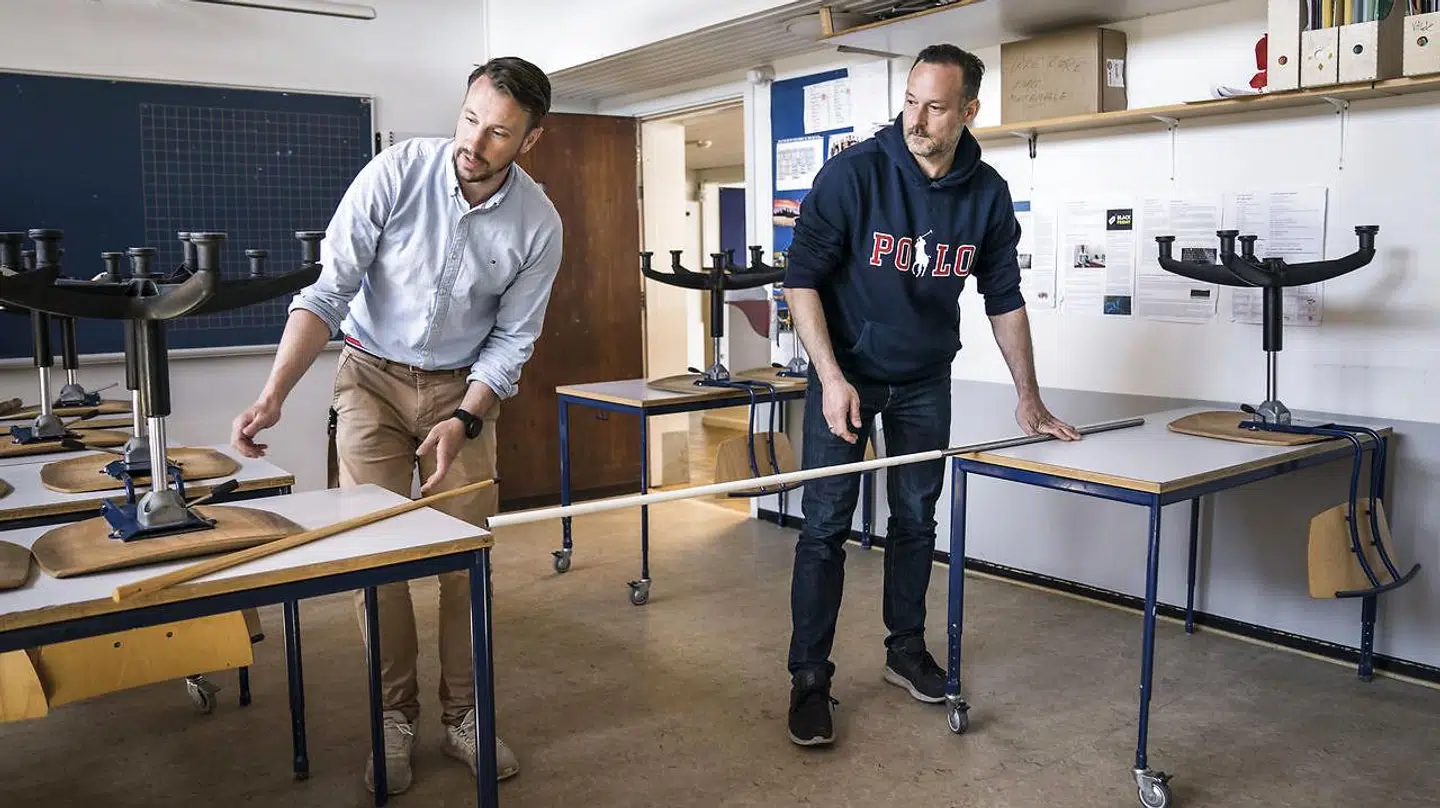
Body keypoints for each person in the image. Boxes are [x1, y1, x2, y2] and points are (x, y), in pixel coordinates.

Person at [229, 56, 563, 793]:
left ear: (530, 140)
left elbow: (513, 341)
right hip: (370, 379)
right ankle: (393, 716)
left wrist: (466, 419)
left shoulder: (539, 224)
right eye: (470, 119)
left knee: (465, 557)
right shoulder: (396, 172)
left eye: (499, 133)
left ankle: (465, 715)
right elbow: (329, 292)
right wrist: (274, 395)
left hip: (462, 391)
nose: (474, 142)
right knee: (373, 555)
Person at [780, 43, 1080, 747]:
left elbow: (1004, 299)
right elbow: (801, 280)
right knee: (825, 526)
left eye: (935, 107)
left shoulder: (986, 194)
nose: (916, 119)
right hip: (846, 373)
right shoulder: (854, 173)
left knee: (916, 520)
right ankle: (809, 678)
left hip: (923, 379)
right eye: (910, 102)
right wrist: (830, 377)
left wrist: (1029, 397)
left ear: (969, 110)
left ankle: (905, 651)